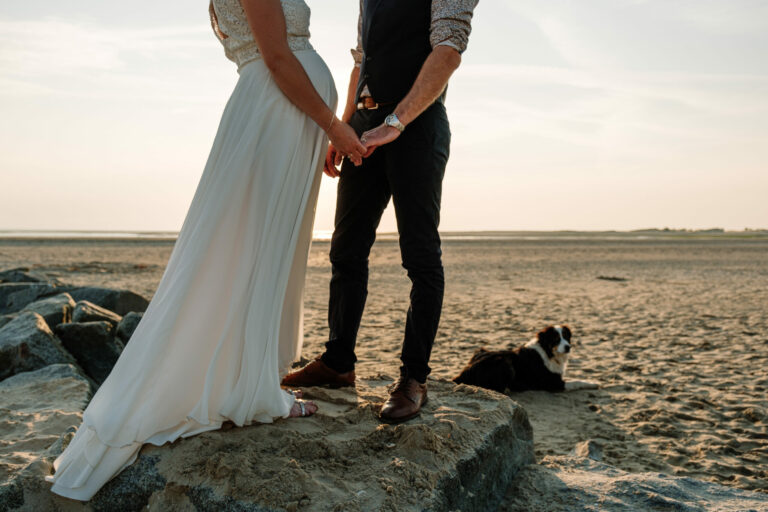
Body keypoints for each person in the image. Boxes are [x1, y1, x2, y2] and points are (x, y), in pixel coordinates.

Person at [45, 0, 365, 501]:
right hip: (279, 108)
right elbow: (279, 58)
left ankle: (251, 379)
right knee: (250, 245)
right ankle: (251, 392)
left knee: (265, 246)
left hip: (283, 109)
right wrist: (335, 125)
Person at [282, 0, 479, 423]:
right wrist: (347, 121)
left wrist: (397, 121)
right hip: (364, 129)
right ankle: (338, 363)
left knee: (421, 258)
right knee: (346, 251)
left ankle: (414, 378)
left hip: (416, 129)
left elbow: (448, 52)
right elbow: (362, 58)